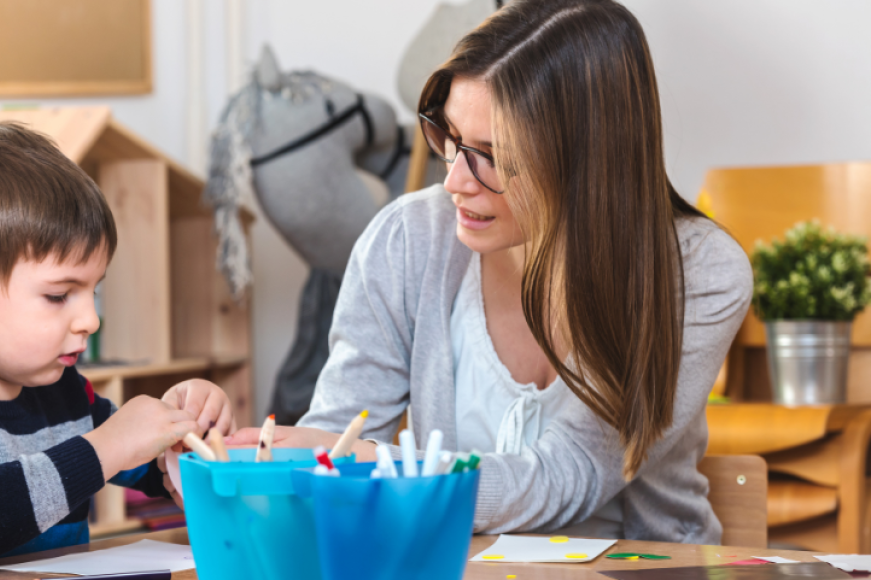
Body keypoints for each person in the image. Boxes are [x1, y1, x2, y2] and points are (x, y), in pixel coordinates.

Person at [228, 0, 752, 543]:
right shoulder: (409, 238)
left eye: (494, 154)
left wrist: (390, 471)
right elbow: (337, 439)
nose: (455, 179)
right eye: (450, 137)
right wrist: (247, 460)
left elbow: (568, 474)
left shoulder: (700, 274)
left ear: (590, 159)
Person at [0, 122, 233, 579]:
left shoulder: (66, 395)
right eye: (59, 295)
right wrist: (109, 444)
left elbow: (151, 467)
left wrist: (183, 434)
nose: (90, 320)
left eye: (94, 292)